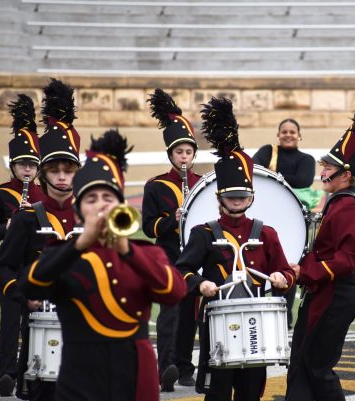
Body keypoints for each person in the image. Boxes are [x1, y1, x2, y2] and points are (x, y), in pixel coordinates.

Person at [18, 129, 187, 401]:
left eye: (108, 199)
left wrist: (125, 248)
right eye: (91, 199)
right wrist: (79, 244)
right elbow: (29, 284)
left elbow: (174, 292)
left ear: (120, 206)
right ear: (78, 210)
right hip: (81, 373)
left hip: (135, 372)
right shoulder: (62, 255)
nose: (100, 207)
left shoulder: (144, 253)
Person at [177, 97, 296, 401]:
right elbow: (181, 271)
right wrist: (199, 282)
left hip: (255, 321)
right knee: (217, 391)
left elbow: (284, 269)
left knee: (251, 392)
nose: (237, 202)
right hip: (217, 319)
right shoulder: (203, 234)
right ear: (219, 197)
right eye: (231, 197)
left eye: (242, 196)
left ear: (251, 197)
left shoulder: (265, 233)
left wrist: (283, 280)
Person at [0, 79, 82, 400]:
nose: (61, 176)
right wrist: (20, 290)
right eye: (53, 169)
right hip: (34, 303)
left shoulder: (92, 218)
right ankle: (9, 372)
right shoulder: (28, 215)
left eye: (68, 169)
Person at [285, 90, 355, 401]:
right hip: (325, 291)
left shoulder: (349, 206)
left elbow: (349, 259)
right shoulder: (338, 202)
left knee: (317, 366)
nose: (321, 172)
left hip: (335, 294)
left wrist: (306, 271)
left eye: (327, 168)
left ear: (346, 175)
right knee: (303, 363)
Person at [0, 94, 44, 397]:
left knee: (35, 321)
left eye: (32, 165)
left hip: (36, 266)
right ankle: (6, 373)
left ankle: (30, 373)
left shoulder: (45, 197)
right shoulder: (0, 194)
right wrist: (6, 228)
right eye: (22, 165)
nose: (28, 170)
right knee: (11, 319)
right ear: (13, 165)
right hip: (8, 266)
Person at [143, 88, 202, 391]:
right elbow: (148, 228)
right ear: (170, 155)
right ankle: (165, 365)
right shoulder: (156, 186)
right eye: (179, 152)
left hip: (194, 256)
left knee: (191, 311)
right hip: (166, 255)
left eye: (188, 152)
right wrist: (172, 220)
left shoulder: (204, 184)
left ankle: (185, 365)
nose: (184, 157)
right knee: (170, 312)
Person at [252, 118, 317, 330]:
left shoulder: (306, 159)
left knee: (287, 263)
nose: (288, 135)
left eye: (292, 131)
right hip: (265, 214)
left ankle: (285, 316)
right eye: (284, 131)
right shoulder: (268, 150)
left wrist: (275, 176)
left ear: (299, 135)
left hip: (291, 220)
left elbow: (304, 180)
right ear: (278, 134)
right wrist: (284, 178)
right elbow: (253, 168)